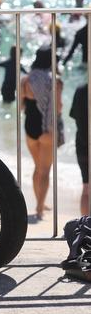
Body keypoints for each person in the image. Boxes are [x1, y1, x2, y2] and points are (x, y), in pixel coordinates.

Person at [20, 45, 64, 220]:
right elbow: (58, 107)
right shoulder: (55, 81)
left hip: (30, 127)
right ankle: (39, 208)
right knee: (45, 170)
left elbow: (22, 105)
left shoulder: (26, 79)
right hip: (47, 129)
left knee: (38, 167)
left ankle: (40, 201)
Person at [70, 83, 90, 216]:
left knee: (87, 187)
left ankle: (86, 227)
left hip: (82, 142)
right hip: (82, 142)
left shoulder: (81, 89)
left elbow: (74, 114)